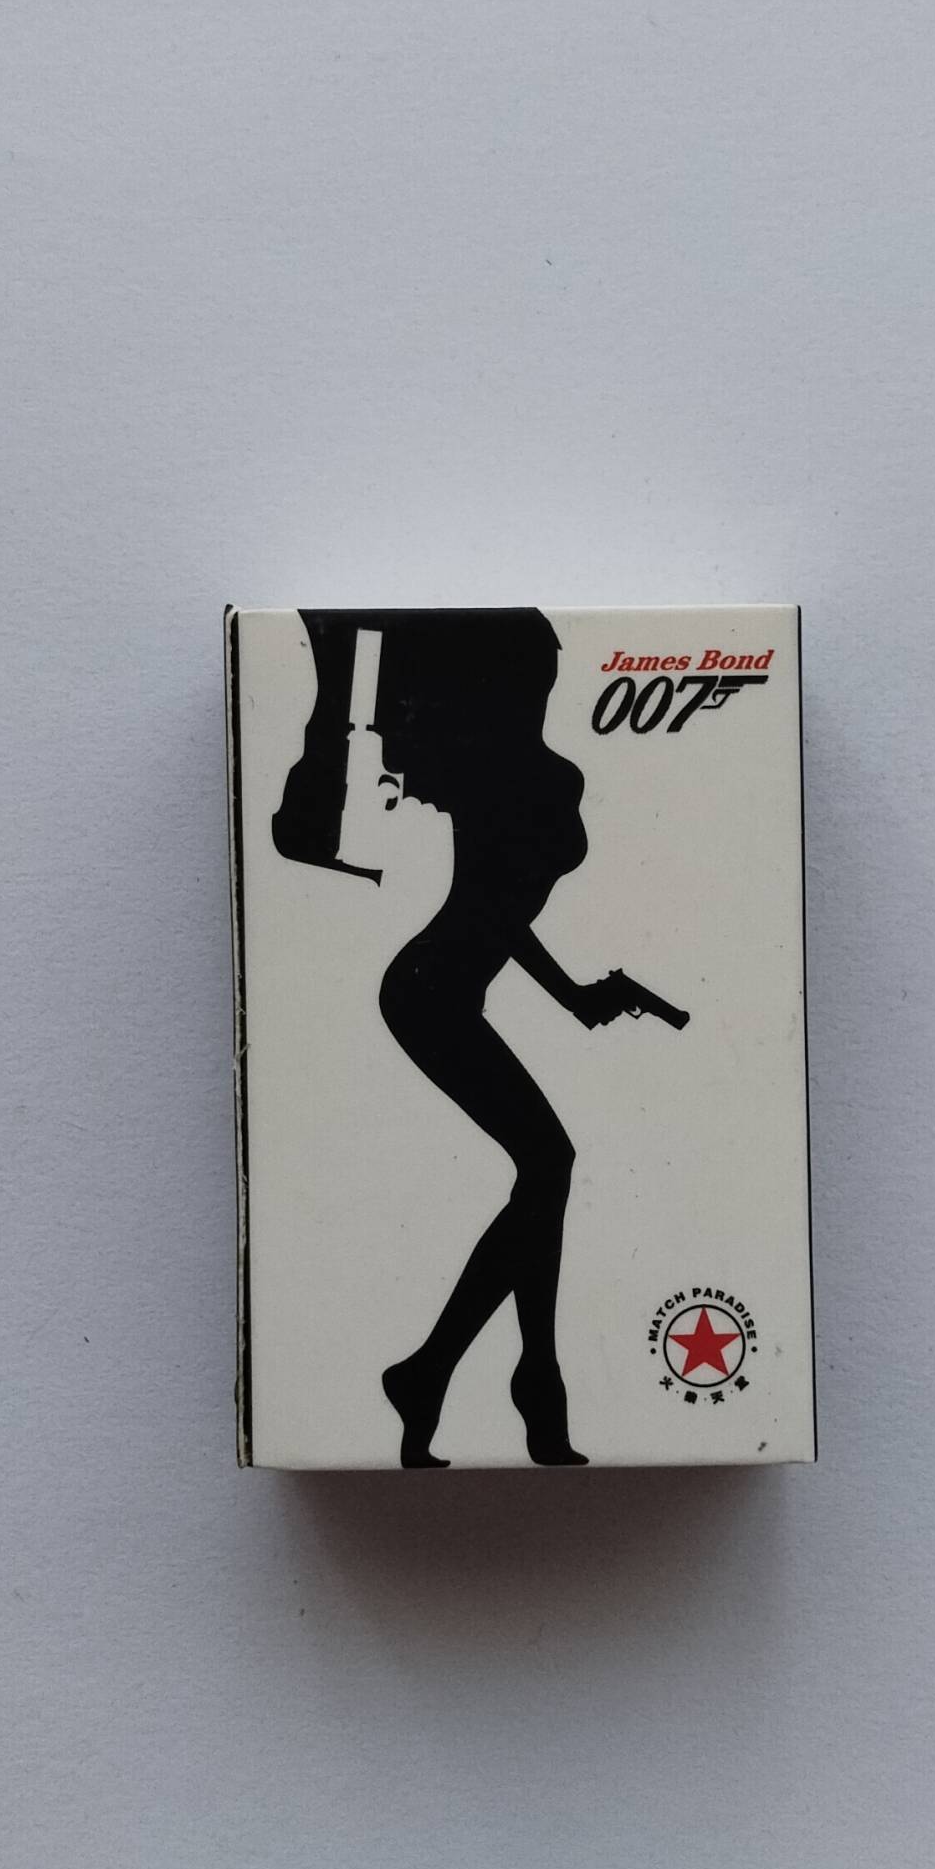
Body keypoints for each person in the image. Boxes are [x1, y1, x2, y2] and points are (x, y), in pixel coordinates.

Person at [273, 609, 680, 1467]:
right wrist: (571, 997)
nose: (544, 681)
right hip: (426, 994)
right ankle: (491, 1378)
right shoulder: (490, 772)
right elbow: (489, 908)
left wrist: (577, 997)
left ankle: (495, 1380)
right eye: (530, 670)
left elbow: (502, 916)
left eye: (543, 670)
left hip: (450, 993)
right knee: (550, 1164)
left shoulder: (536, 772)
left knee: (545, 1173)